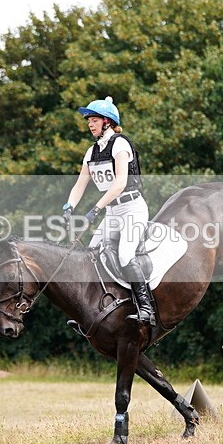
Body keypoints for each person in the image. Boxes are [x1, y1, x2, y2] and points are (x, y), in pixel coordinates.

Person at [63, 96, 153, 324]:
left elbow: (120, 183)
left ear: (107, 121)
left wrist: (95, 209)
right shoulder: (91, 152)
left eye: (93, 120)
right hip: (112, 212)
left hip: (132, 208)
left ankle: (146, 308)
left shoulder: (120, 144)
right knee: (89, 255)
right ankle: (89, 311)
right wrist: (69, 207)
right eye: (88, 121)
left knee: (125, 254)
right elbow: (79, 184)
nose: (89, 124)